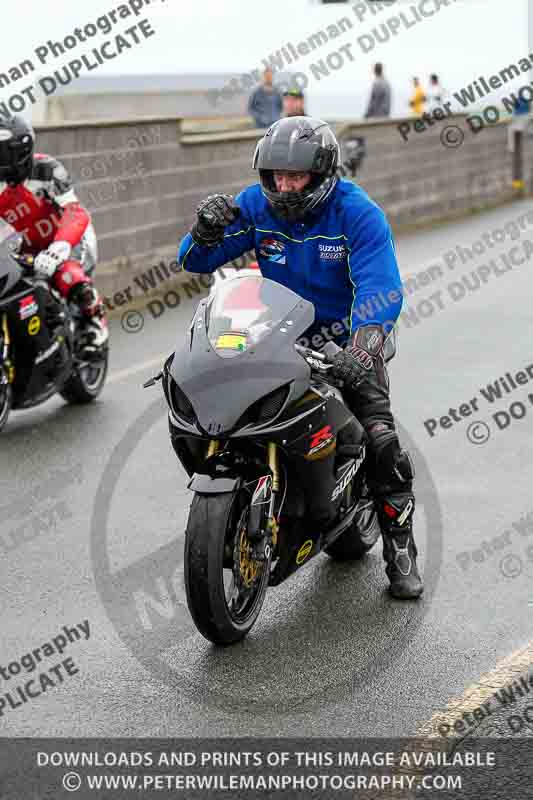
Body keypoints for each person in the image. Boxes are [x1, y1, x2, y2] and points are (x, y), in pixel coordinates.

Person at [177, 116, 423, 600]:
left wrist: (363, 348)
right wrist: (203, 232)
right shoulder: (255, 204)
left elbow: (381, 287)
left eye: (295, 177)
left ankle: (401, 550)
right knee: (220, 410)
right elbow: (195, 262)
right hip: (274, 335)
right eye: (274, 176)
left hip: (344, 343)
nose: (284, 186)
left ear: (324, 174)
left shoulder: (357, 212)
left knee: (381, 439)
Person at [0, 114, 107, 351]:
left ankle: (94, 322)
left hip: (67, 241)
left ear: (20, 151)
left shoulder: (48, 169)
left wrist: (60, 247)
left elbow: (74, 211)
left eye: (2, 153)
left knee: (68, 275)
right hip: (23, 249)